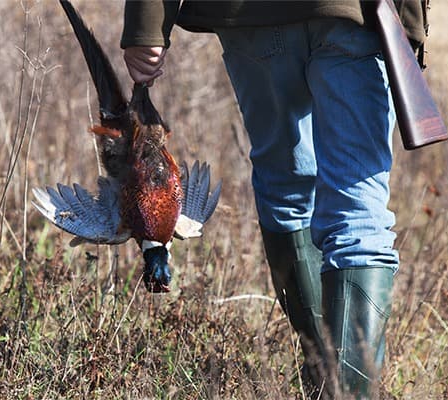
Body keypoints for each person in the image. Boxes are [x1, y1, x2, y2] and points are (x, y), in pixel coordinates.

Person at [121, 1, 426, 398]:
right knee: (358, 212)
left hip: (252, 15)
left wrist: (145, 24)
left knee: (287, 191)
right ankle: (341, 389)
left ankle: (325, 379)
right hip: (356, 13)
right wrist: (412, 23)